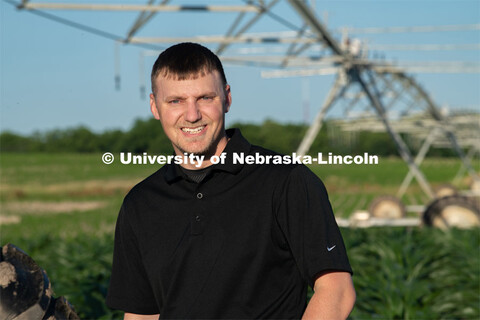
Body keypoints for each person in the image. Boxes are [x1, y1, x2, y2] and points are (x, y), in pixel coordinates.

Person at [106, 42, 355, 320]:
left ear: (226, 98)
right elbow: (143, 314)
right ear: (155, 106)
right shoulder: (141, 203)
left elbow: (336, 289)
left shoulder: (285, 180)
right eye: (175, 101)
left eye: (205, 98)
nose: (192, 115)